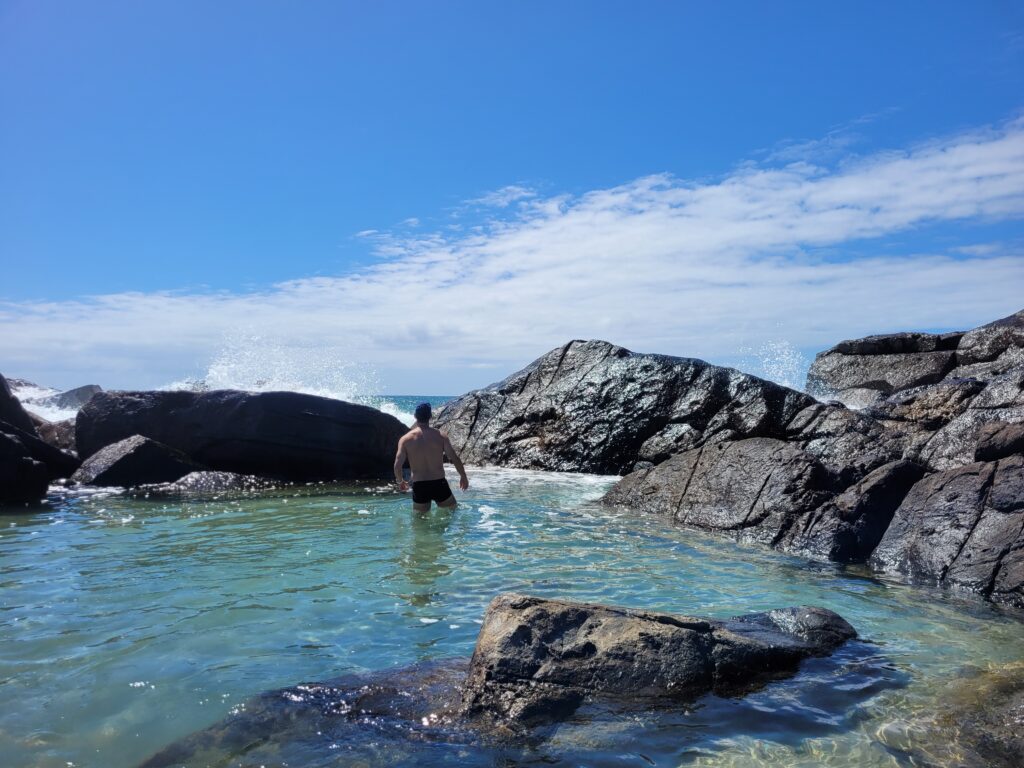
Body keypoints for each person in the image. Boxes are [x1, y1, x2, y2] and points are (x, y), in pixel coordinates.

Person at [394, 402, 469, 511]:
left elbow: (397, 466)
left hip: (420, 485)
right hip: (439, 483)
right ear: (430, 416)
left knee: (420, 523)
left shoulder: (405, 440)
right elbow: (454, 458)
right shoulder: (441, 436)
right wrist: (463, 476)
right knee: (452, 512)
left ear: (415, 416)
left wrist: (401, 481)